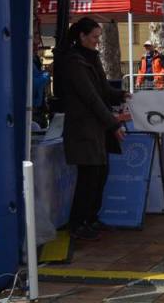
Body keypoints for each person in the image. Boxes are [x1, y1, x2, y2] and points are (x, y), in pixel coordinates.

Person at [54, 17, 128, 241]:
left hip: (97, 129)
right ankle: (78, 223)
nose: (97, 41)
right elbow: (91, 98)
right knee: (89, 177)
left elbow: (103, 90)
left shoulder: (92, 58)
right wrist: (114, 123)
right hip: (82, 130)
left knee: (100, 174)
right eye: (94, 37)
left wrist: (122, 95)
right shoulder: (74, 62)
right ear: (82, 36)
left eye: (99, 37)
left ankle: (91, 218)